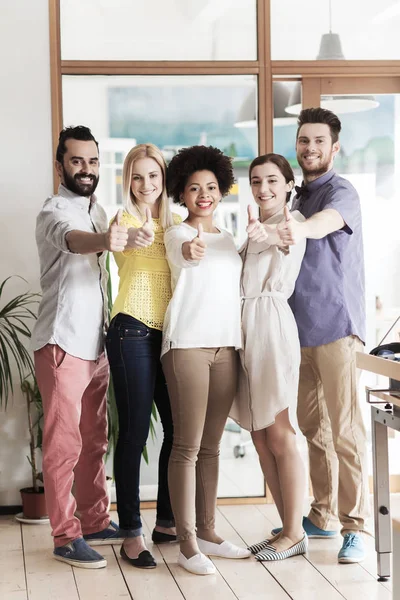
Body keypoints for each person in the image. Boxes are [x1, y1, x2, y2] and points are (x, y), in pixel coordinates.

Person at [276, 107, 369, 564]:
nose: (309, 148)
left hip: (336, 328)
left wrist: (298, 228)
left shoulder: (341, 192)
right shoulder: (295, 197)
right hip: (299, 331)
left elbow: (326, 223)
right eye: (303, 141)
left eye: (318, 141)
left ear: (334, 148)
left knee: (346, 430)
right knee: (315, 428)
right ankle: (323, 513)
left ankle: (356, 527)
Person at [32, 125, 128, 569]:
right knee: (63, 444)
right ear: (60, 166)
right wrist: (106, 240)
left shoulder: (98, 208)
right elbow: (73, 241)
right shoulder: (53, 211)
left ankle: (93, 520)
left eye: (92, 161)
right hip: (61, 343)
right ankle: (65, 536)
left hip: (96, 343)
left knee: (94, 440)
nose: (86, 170)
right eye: (77, 161)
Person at [161, 145, 251, 576]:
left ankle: (210, 532)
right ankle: (186, 542)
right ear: (182, 191)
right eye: (194, 188)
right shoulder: (178, 234)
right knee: (187, 446)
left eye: (211, 187)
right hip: (188, 346)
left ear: (222, 189)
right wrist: (192, 251)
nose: (204, 195)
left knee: (212, 447)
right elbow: (185, 254)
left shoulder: (230, 239)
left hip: (226, 347)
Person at [230, 153, 307, 562]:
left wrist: (270, 236)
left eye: (273, 180)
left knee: (280, 432)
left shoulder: (291, 227)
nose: (263, 188)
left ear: (289, 185)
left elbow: (287, 242)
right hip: (246, 328)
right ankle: (286, 529)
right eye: (256, 181)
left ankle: (295, 532)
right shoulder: (254, 231)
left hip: (272, 326)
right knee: (259, 437)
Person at [106, 143, 179, 569]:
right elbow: (122, 247)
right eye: (137, 176)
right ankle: (131, 533)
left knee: (176, 429)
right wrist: (133, 237)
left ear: (163, 177)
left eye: (153, 175)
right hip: (131, 329)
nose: (146, 184)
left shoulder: (178, 223)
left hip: (171, 335)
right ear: (128, 180)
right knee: (133, 433)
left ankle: (167, 521)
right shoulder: (123, 222)